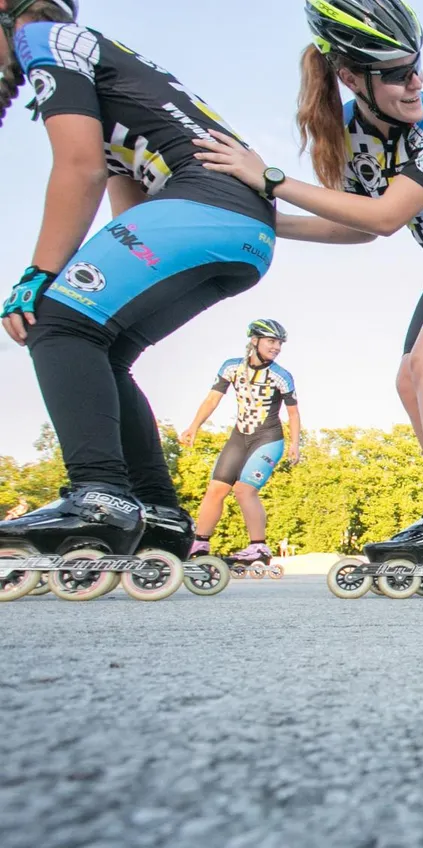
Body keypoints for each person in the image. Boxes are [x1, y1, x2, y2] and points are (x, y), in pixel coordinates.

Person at [193, 0, 423, 571]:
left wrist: (270, 179)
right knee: (409, 379)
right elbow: (352, 228)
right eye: (398, 73)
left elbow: (384, 217)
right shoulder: (349, 132)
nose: (416, 82)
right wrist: (267, 219)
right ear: (352, 77)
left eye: (417, 66)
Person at [0, 0, 276, 565]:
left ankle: (99, 494)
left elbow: (80, 167)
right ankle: (159, 514)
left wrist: (38, 277)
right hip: (242, 231)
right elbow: (128, 217)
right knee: (105, 346)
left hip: (204, 205)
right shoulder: (104, 65)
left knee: (55, 321)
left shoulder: (45, 38)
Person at [179, 320, 301, 565]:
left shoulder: (281, 376)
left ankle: (258, 548)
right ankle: (200, 543)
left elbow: (294, 413)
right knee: (216, 489)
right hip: (239, 436)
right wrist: (194, 426)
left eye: (279, 343)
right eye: (271, 341)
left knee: (244, 490)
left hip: (268, 438)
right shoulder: (231, 367)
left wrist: (294, 444)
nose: (276, 347)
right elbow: (212, 399)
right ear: (254, 340)